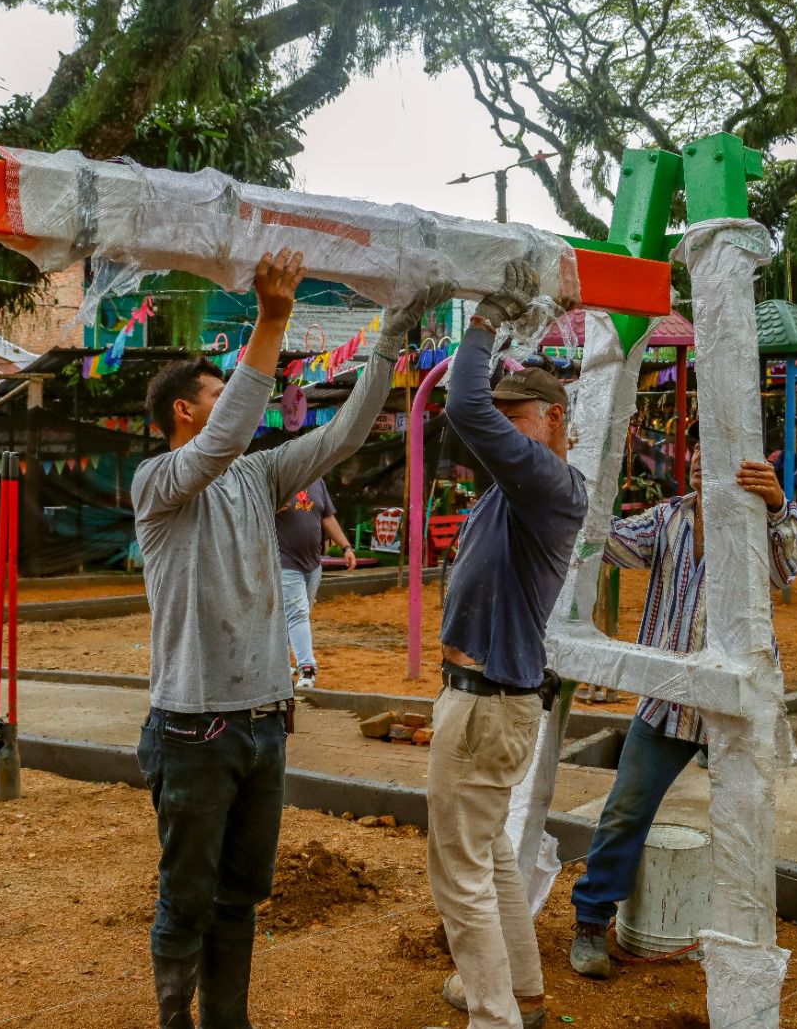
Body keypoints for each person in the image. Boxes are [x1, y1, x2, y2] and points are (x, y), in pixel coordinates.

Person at [132, 248, 442, 1029]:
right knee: (187, 898)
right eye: (220, 393)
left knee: (241, 896)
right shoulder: (158, 484)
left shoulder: (259, 475)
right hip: (194, 728)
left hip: (265, 722)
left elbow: (345, 434)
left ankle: (226, 1022)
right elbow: (225, 437)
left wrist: (390, 340)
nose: (241, 404)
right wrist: (272, 322)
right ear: (185, 412)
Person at [567, 429, 797, 979]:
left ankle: (745, 937)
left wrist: (777, 505)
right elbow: (608, 541)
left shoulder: (757, 519)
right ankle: (591, 921)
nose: (700, 460)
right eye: (696, 451)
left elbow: (786, 569)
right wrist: (570, 486)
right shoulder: (668, 519)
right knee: (626, 809)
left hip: (735, 709)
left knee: (748, 819)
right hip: (668, 701)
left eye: (713, 451)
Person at [429, 260, 588, 1029]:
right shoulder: (517, 489)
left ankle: (494, 1018)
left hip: (487, 705)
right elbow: (472, 412)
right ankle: (520, 990)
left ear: (554, 420)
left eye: (515, 415)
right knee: (488, 854)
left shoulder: (545, 483)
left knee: (459, 873)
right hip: (493, 702)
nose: (500, 426)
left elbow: (463, 405)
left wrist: (487, 318)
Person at [275, 475, 355, 688]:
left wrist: (346, 547)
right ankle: (307, 668)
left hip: (312, 563)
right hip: (284, 561)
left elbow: (327, 517)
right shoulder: (280, 476)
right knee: (297, 613)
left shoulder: (317, 481)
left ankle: (279, 663)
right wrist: (272, 507)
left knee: (295, 615)